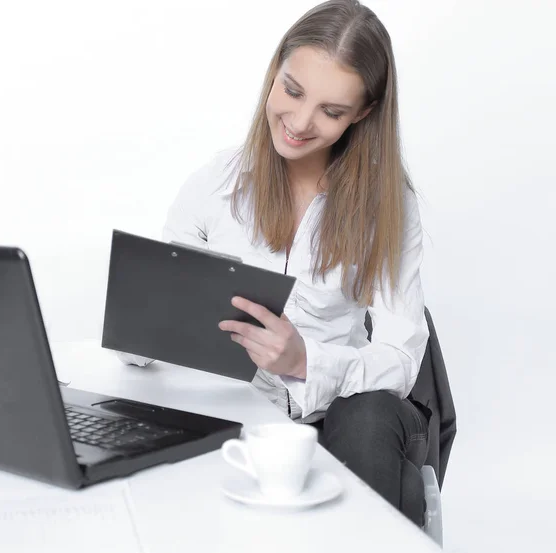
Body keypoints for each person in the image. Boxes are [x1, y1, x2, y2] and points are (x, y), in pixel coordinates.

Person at [120, 0, 430, 526]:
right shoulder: (217, 184)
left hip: (338, 416)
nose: (300, 123)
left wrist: (306, 362)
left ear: (364, 112)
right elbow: (151, 335)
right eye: (292, 90)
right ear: (275, 72)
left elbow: (401, 360)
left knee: (370, 414)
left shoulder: (387, 205)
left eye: (332, 112)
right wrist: (142, 329)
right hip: (234, 414)